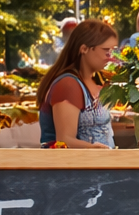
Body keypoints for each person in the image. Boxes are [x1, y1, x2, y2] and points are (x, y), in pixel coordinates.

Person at [38, 19, 117, 148]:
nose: (111, 56)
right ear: (84, 49)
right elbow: (64, 140)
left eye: (113, 50)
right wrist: (94, 149)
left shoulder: (95, 80)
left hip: (98, 165)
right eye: (106, 50)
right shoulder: (68, 84)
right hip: (76, 166)